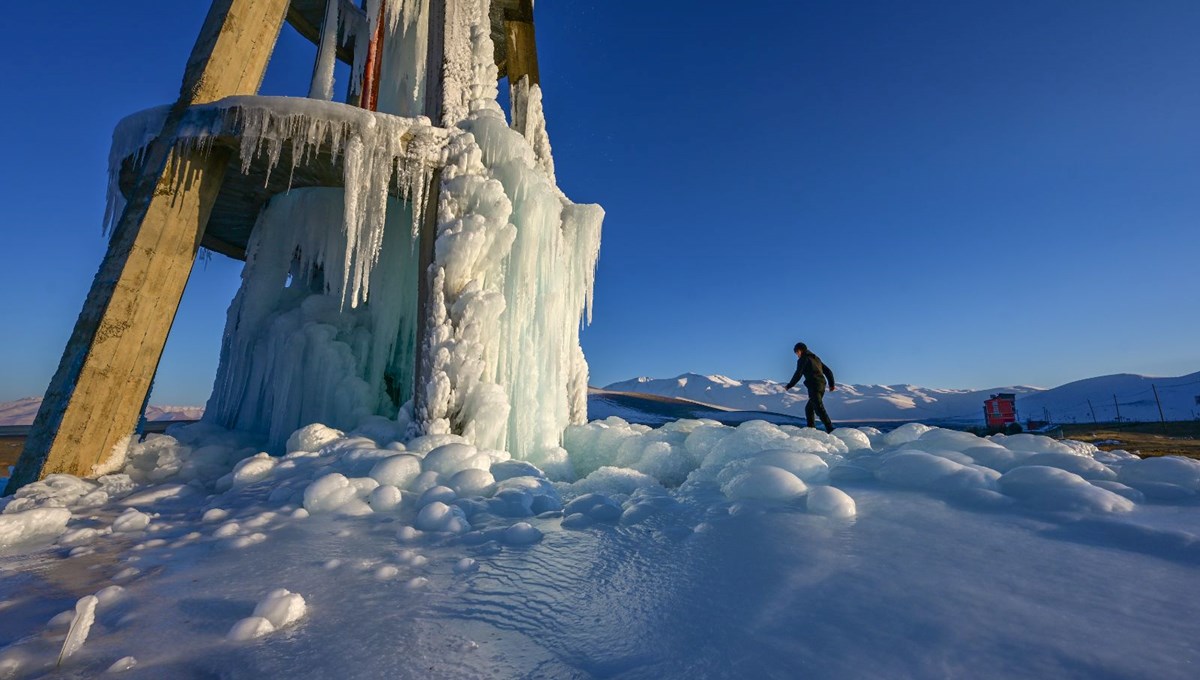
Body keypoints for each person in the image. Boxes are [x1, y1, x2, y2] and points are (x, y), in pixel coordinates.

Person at [782, 342, 836, 432]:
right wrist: (831, 384)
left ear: (799, 351)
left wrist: (789, 385)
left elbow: (798, 373)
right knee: (809, 408)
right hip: (822, 385)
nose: (797, 355)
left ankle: (831, 429)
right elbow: (828, 371)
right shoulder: (816, 358)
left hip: (814, 385)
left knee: (819, 408)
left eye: (796, 353)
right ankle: (811, 430)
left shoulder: (803, 359)